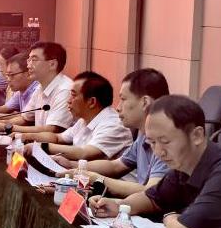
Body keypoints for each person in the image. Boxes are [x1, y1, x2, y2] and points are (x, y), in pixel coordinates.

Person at [89, 95, 221, 228]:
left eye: (165, 142)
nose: (158, 152)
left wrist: (169, 217)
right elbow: (152, 198)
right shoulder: (183, 165)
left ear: (197, 135)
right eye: (152, 143)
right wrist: (120, 207)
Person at [60, 67, 171, 196]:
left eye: (123, 99)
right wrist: (74, 166)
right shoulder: (143, 134)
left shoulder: (168, 140)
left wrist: (96, 179)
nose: (118, 108)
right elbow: (116, 166)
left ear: (145, 102)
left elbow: (152, 192)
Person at [21, 71, 132, 161]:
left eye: (73, 96)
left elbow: (84, 153)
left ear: (92, 102)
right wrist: (24, 136)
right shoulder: (84, 120)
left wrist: (41, 147)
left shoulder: (113, 125)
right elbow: (58, 138)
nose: (69, 101)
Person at [0, 41, 74, 133]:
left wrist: (7, 127)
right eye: (28, 60)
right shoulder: (40, 88)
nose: (28, 66)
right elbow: (25, 118)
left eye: (33, 60)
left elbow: (52, 129)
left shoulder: (65, 90)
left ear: (52, 64)